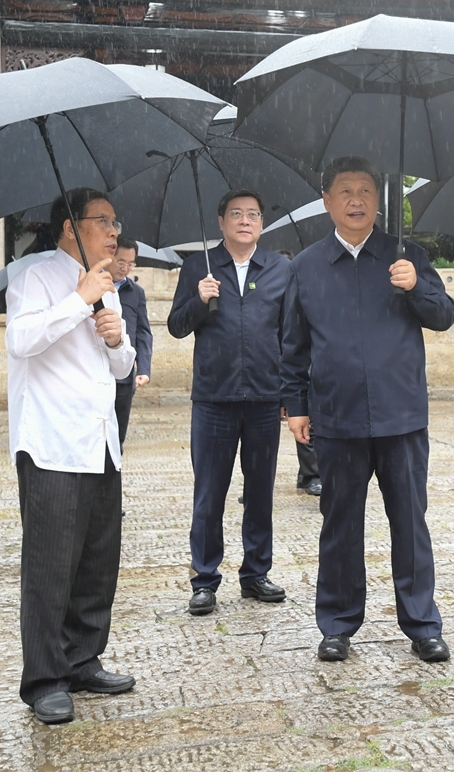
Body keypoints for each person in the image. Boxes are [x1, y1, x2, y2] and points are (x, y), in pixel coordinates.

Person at [280, 157, 454, 663]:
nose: (356, 200)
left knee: (410, 522)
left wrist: (415, 285)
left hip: (402, 417)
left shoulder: (407, 256)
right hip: (337, 418)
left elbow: (443, 316)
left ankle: (422, 624)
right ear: (327, 201)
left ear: (379, 200)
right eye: (345, 191)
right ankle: (337, 623)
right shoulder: (306, 266)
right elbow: (293, 345)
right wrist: (296, 405)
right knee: (339, 524)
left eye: (365, 190)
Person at [5, 188, 137, 725]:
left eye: (114, 221)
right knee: (50, 566)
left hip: (101, 440)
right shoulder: (31, 274)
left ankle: (83, 659)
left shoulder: (110, 284)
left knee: (96, 563)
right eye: (102, 221)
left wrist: (113, 340)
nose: (113, 231)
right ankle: (43, 679)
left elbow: (123, 369)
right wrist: (78, 300)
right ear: (69, 227)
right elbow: (22, 340)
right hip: (52, 442)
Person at [168, 189, 290, 616]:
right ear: (220, 222)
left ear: (261, 224)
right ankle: (204, 580)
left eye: (253, 214)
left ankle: (256, 573)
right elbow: (177, 326)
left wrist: (290, 394)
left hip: (263, 399)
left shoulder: (279, 269)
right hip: (214, 400)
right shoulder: (198, 268)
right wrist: (199, 301)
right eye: (236, 213)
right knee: (209, 493)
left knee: (260, 492)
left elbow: (289, 335)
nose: (244, 220)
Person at [275, 249, 322, 498]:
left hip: (312, 358)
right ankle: (310, 474)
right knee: (302, 417)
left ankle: (310, 473)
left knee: (310, 415)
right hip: (281, 359)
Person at [108, 237, 153, 449]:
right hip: (96, 371)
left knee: (117, 438)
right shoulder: (93, 287)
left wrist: (143, 368)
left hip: (125, 377)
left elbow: (144, 332)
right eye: (121, 262)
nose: (126, 268)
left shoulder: (136, 293)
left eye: (131, 264)